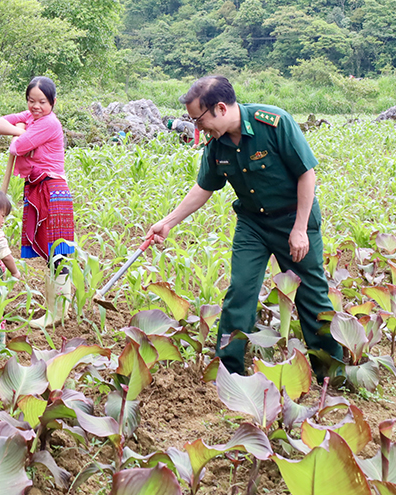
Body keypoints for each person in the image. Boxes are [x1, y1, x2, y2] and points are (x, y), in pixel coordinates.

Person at [144, 75, 341, 378]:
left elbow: (307, 175)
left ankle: (332, 374)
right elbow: (204, 187)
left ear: (220, 108)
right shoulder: (216, 143)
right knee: (240, 291)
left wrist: (300, 229)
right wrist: (167, 222)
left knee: (312, 296)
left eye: (198, 120)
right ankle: (229, 371)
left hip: (294, 218)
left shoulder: (274, 123)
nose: (197, 128)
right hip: (253, 224)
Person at [0, 77, 74, 326]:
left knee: (57, 251)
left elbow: (19, 147)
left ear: (53, 102)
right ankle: (57, 310)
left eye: (42, 102)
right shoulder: (30, 118)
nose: (36, 106)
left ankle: (57, 313)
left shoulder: (49, 123)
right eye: (31, 100)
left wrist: (19, 134)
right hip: (39, 188)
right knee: (50, 251)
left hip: (52, 189)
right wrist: (21, 129)